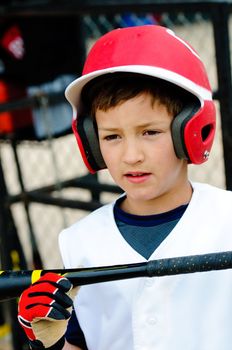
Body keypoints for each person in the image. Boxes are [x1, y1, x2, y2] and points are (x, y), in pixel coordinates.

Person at [17, 25, 232, 350]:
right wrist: (52, 341)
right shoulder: (81, 243)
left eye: (150, 132)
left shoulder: (226, 220)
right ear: (90, 141)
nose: (131, 156)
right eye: (112, 136)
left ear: (191, 129)